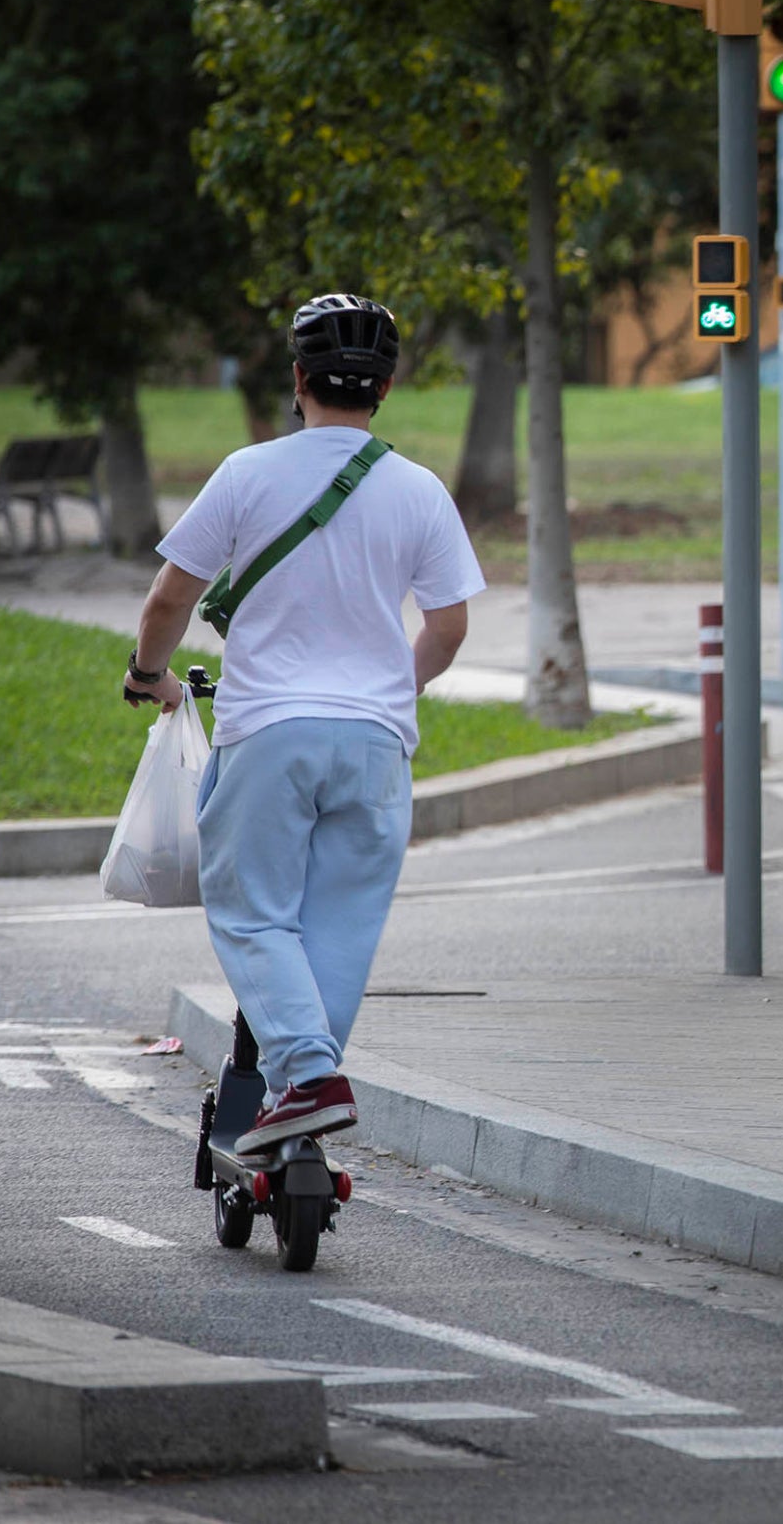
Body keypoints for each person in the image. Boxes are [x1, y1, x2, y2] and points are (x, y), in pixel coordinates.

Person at [124, 295, 483, 1152]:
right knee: (342, 926)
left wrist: (149, 675)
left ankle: (310, 1075)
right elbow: (449, 626)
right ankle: (300, 1095)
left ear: (297, 380)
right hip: (375, 744)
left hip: (270, 733)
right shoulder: (420, 490)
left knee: (253, 913)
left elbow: (172, 595)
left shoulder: (248, 474)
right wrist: (392, 691)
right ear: (386, 387)